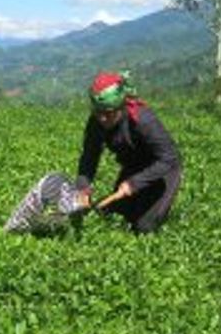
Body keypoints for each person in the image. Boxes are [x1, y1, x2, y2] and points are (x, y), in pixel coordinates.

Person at [76, 71, 182, 233]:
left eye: (108, 113)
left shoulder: (143, 121)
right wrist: (83, 188)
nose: (102, 118)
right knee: (110, 216)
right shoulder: (96, 122)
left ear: (121, 106)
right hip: (133, 167)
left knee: (143, 227)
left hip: (162, 172)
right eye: (98, 112)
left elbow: (169, 158)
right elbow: (89, 157)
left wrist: (134, 183)